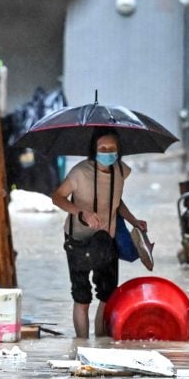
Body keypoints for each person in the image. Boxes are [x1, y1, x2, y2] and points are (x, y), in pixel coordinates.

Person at [51, 128, 148, 338]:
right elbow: (57, 197)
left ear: (118, 150)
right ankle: (82, 345)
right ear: (94, 150)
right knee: (82, 298)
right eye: (102, 148)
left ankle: (102, 344)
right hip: (78, 241)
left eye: (112, 148)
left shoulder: (121, 171)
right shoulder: (79, 173)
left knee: (108, 295)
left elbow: (116, 201)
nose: (107, 152)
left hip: (107, 240)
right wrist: (81, 212)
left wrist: (133, 220)